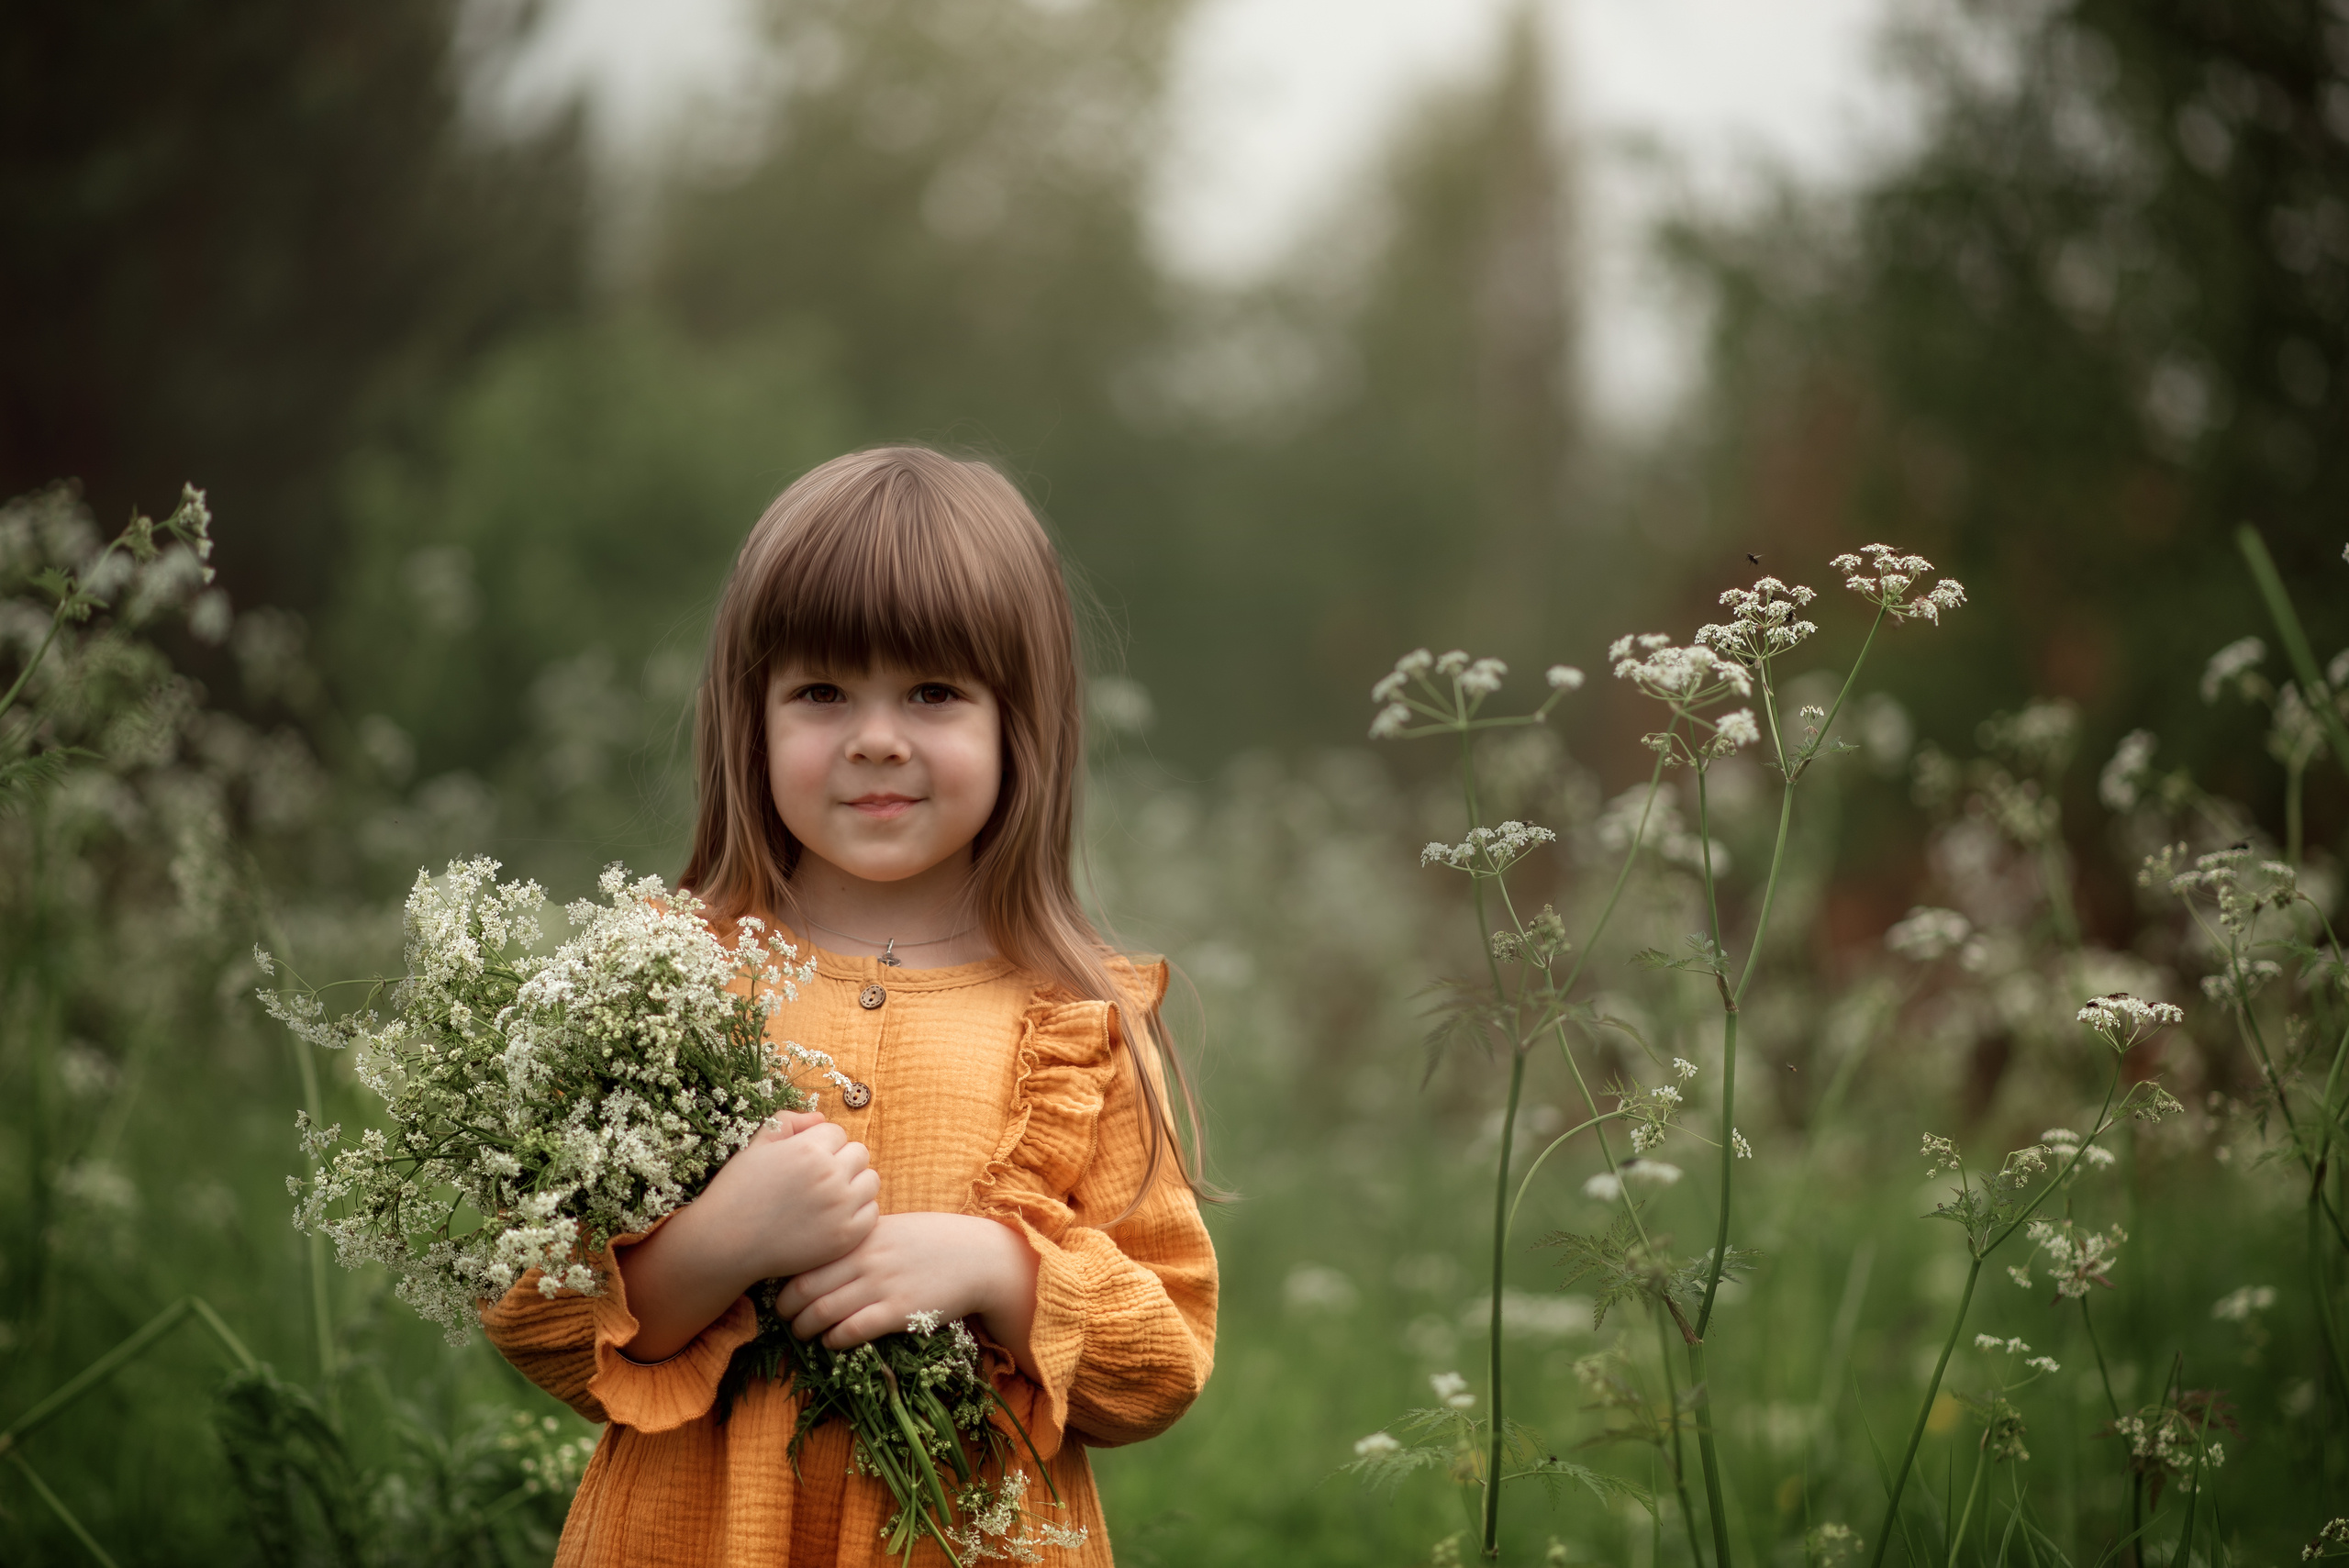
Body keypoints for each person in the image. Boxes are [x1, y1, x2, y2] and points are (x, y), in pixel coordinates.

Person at [482, 446, 1219, 1564]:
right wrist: (718, 1242)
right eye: (822, 691)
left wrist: (994, 1269)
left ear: (1022, 722)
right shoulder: (665, 979)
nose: (877, 735)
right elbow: (532, 1310)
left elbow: (1160, 1363)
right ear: (753, 717)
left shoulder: (1075, 1017)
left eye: (933, 690)